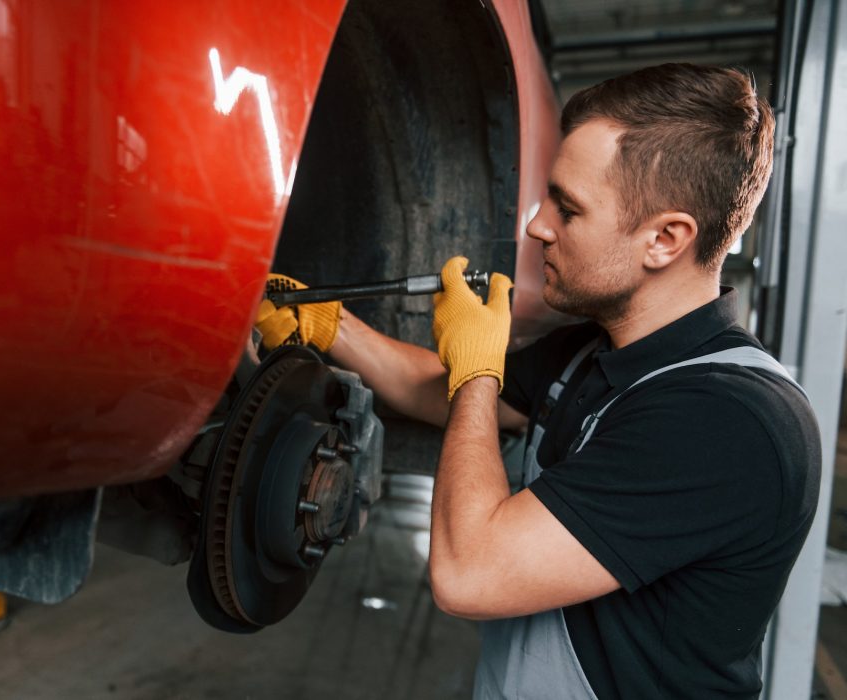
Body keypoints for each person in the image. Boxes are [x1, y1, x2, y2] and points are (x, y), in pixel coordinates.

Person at [256, 63, 821, 699]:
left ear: (665, 238)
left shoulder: (728, 422)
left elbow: (468, 573)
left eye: (568, 209)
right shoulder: (594, 348)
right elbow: (439, 391)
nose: (537, 226)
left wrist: (477, 369)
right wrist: (330, 325)